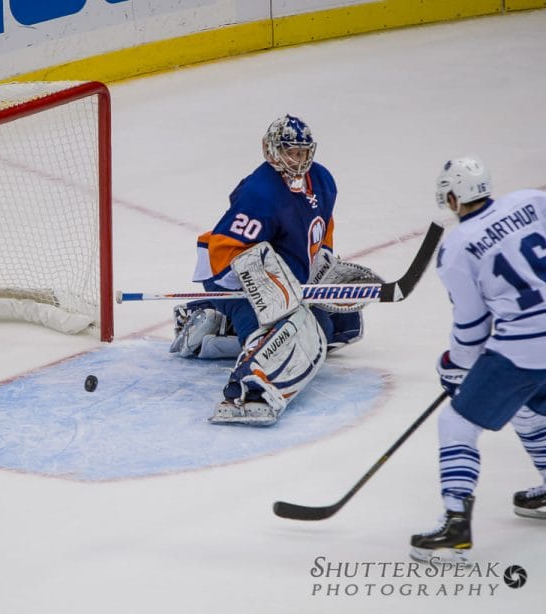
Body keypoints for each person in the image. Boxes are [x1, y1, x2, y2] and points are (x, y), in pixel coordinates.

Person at [170, 115, 379, 425]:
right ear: (272, 151)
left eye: (303, 152)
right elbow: (224, 251)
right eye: (291, 152)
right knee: (291, 335)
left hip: (287, 279)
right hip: (232, 280)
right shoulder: (260, 193)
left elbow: (322, 228)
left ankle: (216, 325)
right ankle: (244, 382)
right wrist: (271, 290)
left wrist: (321, 265)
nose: (298, 160)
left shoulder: (322, 181)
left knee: (337, 327)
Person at [410, 157, 546, 562]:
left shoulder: (456, 245)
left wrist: (455, 367)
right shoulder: (530, 201)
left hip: (523, 349)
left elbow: (472, 326)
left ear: (453, 197)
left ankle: (455, 524)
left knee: (457, 422)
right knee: (526, 406)